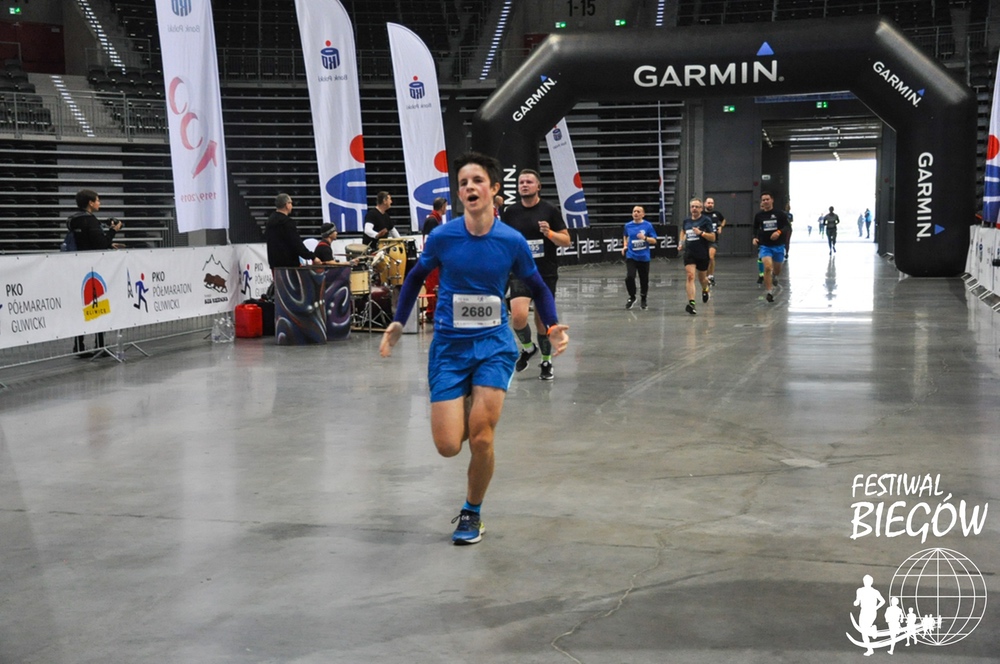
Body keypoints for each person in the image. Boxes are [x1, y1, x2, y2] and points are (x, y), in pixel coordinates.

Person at [379, 152, 569, 545]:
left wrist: (551, 326)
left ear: (494, 189)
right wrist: (398, 320)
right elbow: (415, 277)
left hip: (493, 345)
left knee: (481, 437)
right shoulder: (443, 237)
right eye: (463, 182)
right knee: (449, 446)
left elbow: (537, 286)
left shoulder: (511, 241)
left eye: (477, 180)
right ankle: (466, 398)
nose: (469, 187)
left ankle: (472, 512)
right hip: (449, 347)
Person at [501, 169, 570, 380]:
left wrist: (550, 233)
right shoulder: (511, 212)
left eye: (529, 182)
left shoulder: (549, 210)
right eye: (521, 182)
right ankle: (528, 347)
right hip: (520, 272)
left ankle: (546, 361)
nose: (524, 185)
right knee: (518, 317)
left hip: (545, 273)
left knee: (542, 323)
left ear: (538, 186)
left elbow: (566, 241)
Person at [68, 189, 123, 357]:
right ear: (90, 203)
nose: (99, 203)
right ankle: (100, 345)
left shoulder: (73, 220)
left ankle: (79, 346)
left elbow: (85, 241)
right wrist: (113, 231)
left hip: (78, 266)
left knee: (81, 306)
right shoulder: (90, 221)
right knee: (98, 305)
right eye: (97, 200)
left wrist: (107, 243)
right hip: (94, 268)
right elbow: (100, 243)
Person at [679, 197, 715, 315]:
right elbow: (683, 231)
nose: (694, 209)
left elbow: (713, 237)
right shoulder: (686, 221)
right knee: (690, 276)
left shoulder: (706, 220)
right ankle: (692, 303)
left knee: (702, 279)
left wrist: (701, 233)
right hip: (689, 253)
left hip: (702, 253)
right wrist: (681, 242)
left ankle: (705, 289)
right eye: (692, 207)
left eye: (697, 207)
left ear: (701, 208)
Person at [751, 192, 790, 303]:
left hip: (778, 246)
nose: (765, 201)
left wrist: (778, 232)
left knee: (777, 269)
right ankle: (769, 292)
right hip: (765, 246)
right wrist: (755, 238)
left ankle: (775, 276)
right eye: (763, 200)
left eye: (767, 199)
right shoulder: (759, 215)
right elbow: (755, 228)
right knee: (767, 267)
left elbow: (787, 226)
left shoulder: (780, 214)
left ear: (772, 200)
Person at [264, 194, 317, 268]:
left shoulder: (270, 221)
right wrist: (312, 257)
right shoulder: (287, 222)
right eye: (291, 203)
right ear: (287, 205)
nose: (292, 206)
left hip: (275, 264)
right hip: (289, 264)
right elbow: (296, 243)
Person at [621, 205, 657, 309]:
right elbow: (625, 236)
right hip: (631, 255)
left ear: (643, 214)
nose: (636, 213)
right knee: (630, 276)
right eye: (634, 211)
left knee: (644, 279)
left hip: (644, 257)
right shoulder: (628, 225)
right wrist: (625, 246)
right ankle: (632, 296)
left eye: (638, 211)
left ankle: (643, 298)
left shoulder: (648, 225)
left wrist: (644, 238)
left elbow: (654, 241)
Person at [421, 197, 447, 322]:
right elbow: (429, 241)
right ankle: (432, 312)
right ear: (442, 207)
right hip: (432, 259)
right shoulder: (432, 221)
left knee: (434, 285)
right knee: (433, 285)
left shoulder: (434, 220)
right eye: (445, 206)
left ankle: (432, 311)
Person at [854, 574, 886, 657]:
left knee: (864, 630)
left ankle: (872, 629)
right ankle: (870, 649)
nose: (866, 582)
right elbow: (857, 600)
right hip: (863, 611)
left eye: (868, 581)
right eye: (865, 580)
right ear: (863, 581)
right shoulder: (860, 590)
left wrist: (876, 608)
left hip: (871, 611)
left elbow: (883, 601)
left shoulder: (875, 592)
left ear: (871, 582)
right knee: (863, 631)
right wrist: (856, 602)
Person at [704, 196, 726, 285]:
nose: (710, 205)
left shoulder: (717, 214)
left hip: (713, 239)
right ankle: (705, 276)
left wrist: (721, 226)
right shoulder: (702, 214)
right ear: (705, 204)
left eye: (712, 203)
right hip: (703, 239)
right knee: (705, 259)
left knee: (711, 257)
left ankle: (711, 275)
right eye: (709, 203)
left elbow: (723, 220)